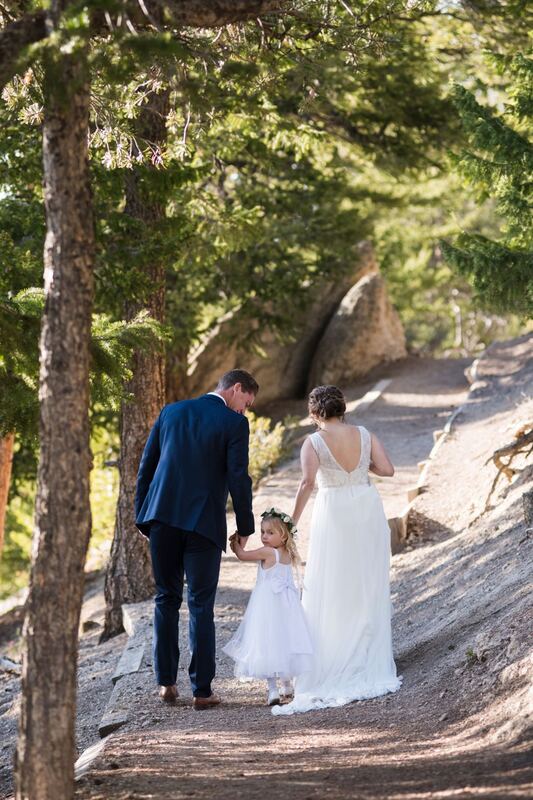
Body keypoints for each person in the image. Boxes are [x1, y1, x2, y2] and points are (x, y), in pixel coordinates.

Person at [273, 384, 402, 716]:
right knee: (367, 579)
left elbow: (306, 483)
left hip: (335, 513)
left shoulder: (314, 441)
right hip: (366, 506)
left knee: (332, 583)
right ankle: (366, 654)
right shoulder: (363, 433)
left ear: (314, 413)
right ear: (342, 408)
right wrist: (361, 467)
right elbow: (387, 470)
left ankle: (333, 655)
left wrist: (290, 522)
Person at [135, 369, 258, 709]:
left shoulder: (171, 412)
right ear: (235, 390)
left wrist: (142, 518)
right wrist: (245, 527)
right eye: (245, 403)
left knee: (166, 598)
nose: (244, 411)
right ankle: (202, 691)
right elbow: (238, 478)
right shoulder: (234, 425)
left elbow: (146, 468)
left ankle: (166, 684)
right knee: (200, 604)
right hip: (203, 523)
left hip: (161, 518)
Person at [223, 508, 314, 706]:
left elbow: (242, 555)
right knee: (284, 641)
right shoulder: (288, 553)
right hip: (287, 605)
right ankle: (287, 685)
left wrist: (235, 541)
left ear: (283, 535)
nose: (264, 536)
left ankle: (273, 689)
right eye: (262, 532)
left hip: (266, 605)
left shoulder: (267, 552)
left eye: (270, 533)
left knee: (265, 643)